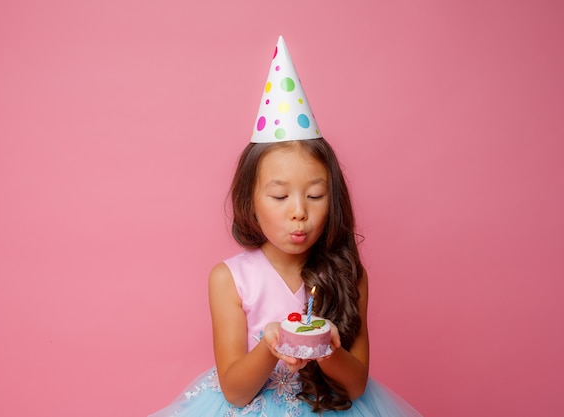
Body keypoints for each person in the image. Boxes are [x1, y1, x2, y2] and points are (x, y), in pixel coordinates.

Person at [148, 36, 423, 417]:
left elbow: (356, 384)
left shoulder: (347, 275)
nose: (299, 212)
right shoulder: (229, 279)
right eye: (280, 197)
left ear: (333, 197)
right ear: (250, 201)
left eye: (314, 196)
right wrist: (270, 345)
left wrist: (326, 347)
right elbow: (235, 391)